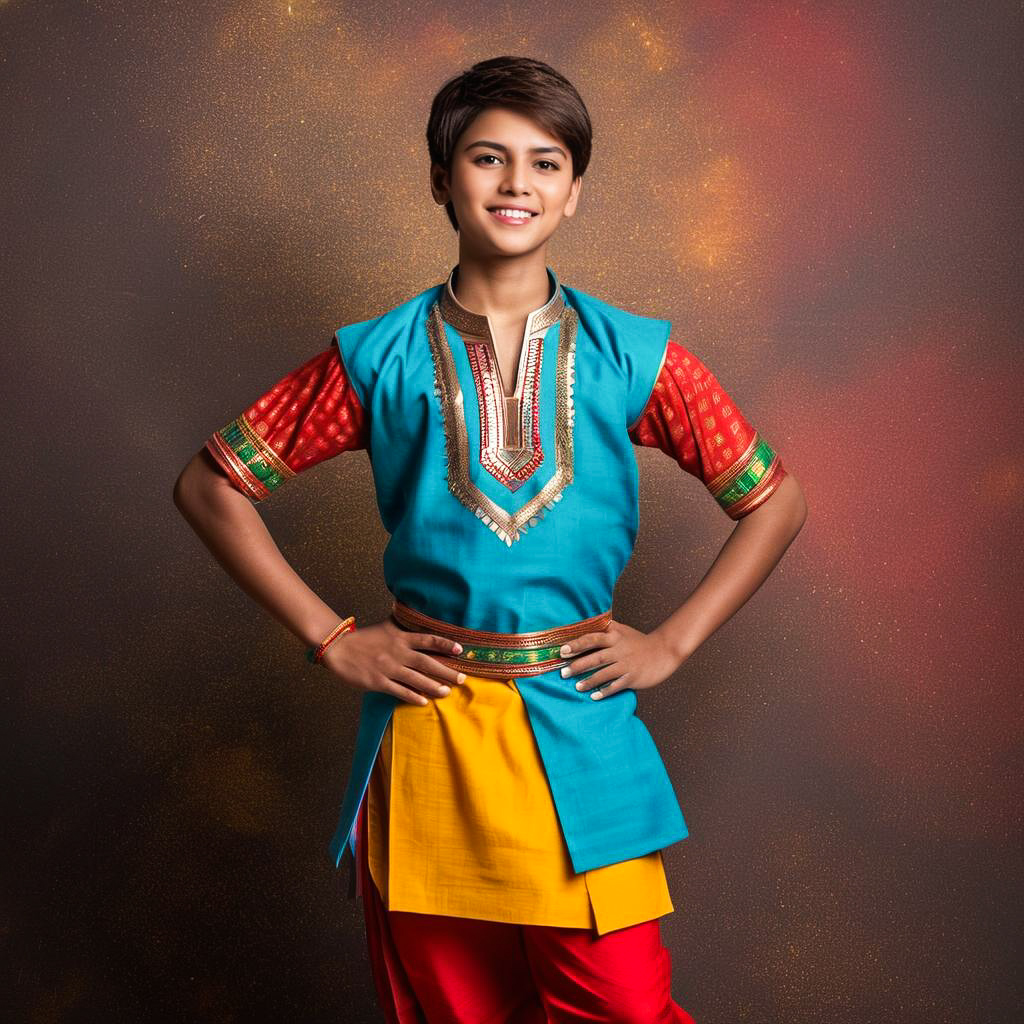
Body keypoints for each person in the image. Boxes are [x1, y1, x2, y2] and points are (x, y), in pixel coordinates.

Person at [173, 55, 807, 1024]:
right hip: (429, 735)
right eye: (487, 157)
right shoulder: (375, 355)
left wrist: (669, 641)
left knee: (626, 1008)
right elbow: (211, 485)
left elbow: (773, 500)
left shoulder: (635, 353)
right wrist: (333, 636)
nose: (516, 182)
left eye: (545, 162)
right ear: (441, 179)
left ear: (575, 191)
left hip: (579, 726)